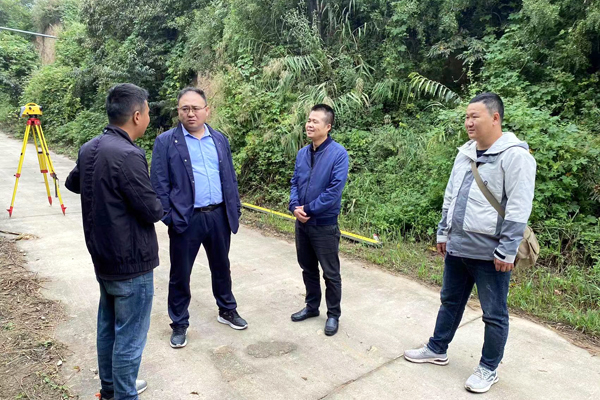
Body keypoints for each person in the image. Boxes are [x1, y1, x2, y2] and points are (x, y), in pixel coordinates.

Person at [404, 93, 537, 393]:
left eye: (475, 116)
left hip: (491, 253)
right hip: (458, 246)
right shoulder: (465, 153)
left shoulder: (515, 156)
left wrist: (507, 249)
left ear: (495, 118)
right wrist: (443, 232)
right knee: (450, 301)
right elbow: (450, 195)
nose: (468, 122)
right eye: (466, 117)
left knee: (494, 314)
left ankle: (488, 368)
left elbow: (519, 207)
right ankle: (437, 348)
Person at [65, 83, 163, 400]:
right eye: (147, 112)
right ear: (136, 115)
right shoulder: (128, 154)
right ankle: (124, 394)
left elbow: (73, 182)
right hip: (131, 261)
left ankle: (110, 389)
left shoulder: (90, 148)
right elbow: (151, 210)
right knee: (130, 337)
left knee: (108, 326)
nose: (148, 118)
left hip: (103, 257)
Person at [150, 87, 246, 349]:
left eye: (195, 108)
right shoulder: (166, 142)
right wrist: (169, 216)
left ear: (207, 110)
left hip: (218, 216)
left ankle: (227, 309)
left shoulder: (219, 139)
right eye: (185, 109)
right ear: (178, 111)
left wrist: (234, 208)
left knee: (221, 266)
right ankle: (179, 322)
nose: (190, 113)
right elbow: (159, 183)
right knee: (180, 273)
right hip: (186, 218)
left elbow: (230, 177)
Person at [289, 103, 349, 336]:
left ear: (328, 126)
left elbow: (334, 192)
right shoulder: (303, 154)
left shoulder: (338, 154)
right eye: (308, 120)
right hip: (302, 223)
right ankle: (312, 306)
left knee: (330, 272)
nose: (309, 125)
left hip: (324, 224)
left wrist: (308, 209)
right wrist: (294, 207)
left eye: (315, 121)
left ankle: (333, 314)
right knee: (307, 268)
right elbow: (295, 182)